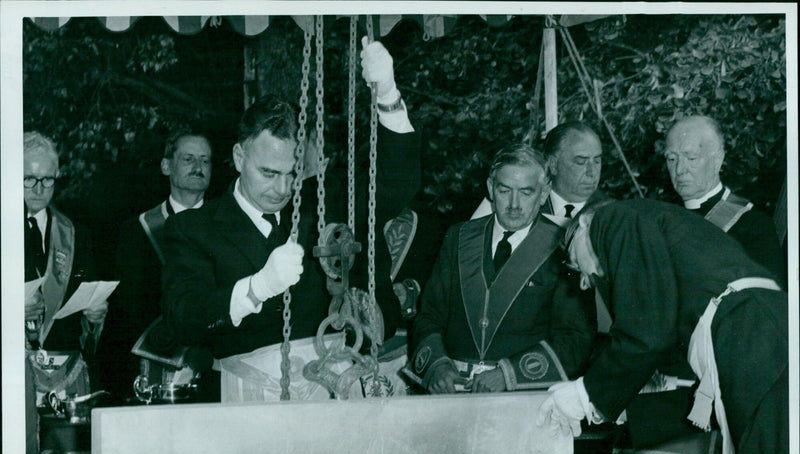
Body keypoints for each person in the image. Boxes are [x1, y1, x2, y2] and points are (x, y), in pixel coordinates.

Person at [538, 198, 789, 454]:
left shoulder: (612, 218)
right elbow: (698, 399)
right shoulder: (701, 286)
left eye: (572, 262)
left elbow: (646, 333)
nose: (584, 280)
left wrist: (586, 394)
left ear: (582, 226)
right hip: (764, 347)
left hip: (761, 345)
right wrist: (623, 411)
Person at [161, 38, 420, 364]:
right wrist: (256, 288)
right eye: (268, 173)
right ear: (239, 157)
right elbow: (183, 319)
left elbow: (397, 184)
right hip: (245, 401)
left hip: (331, 389)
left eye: (293, 173)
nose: (283, 189)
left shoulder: (327, 201)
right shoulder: (192, 228)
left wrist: (387, 94)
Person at [408, 143, 596, 394]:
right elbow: (429, 315)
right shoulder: (459, 238)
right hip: (452, 393)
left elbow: (576, 338)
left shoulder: (565, 248)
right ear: (490, 189)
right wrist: (437, 366)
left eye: (526, 192)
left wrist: (509, 375)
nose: (514, 204)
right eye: (505, 190)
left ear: (544, 194)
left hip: (524, 398)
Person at [97, 129, 214, 403]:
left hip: (215, 366)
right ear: (166, 166)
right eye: (188, 159)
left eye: (205, 160)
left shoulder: (229, 226)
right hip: (152, 366)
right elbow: (126, 313)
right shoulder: (137, 231)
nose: (198, 167)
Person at [24, 131, 107, 454]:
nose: (39, 188)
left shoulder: (73, 232)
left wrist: (95, 316)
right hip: (14, 375)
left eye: (48, 179)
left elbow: (87, 295)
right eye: (29, 179)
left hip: (66, 375)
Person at [664, 115, 786, 285]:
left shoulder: (753, 225)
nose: (679, 169)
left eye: (691, 158)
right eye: (672, 159)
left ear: (717, 160)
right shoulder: (663, 219)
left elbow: (768, 301)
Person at [470, 121, 606, 222]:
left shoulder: (614, 213)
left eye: (597, 161)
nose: (591, 172)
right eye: (580, 162)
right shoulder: (508, 203)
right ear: (553, 164)